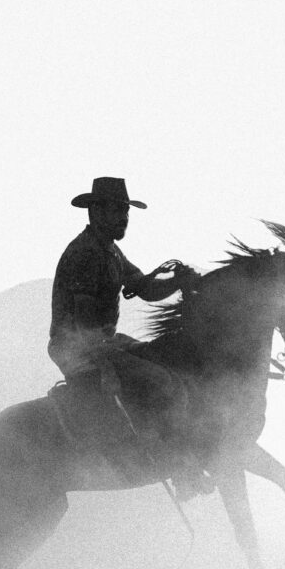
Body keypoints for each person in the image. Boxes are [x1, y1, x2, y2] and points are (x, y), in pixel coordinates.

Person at [48, 176, 211, 500]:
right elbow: (82, 319)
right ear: (95, 212)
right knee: (162, 383)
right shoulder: (85, 254)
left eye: (125, 210)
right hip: (78, 346)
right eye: (116, 210)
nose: (123, 217)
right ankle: (182, 472)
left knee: (162, 360)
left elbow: (145, 287)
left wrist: (177, 282)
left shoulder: (110, 251)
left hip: (101, 341)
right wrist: (105, 363)